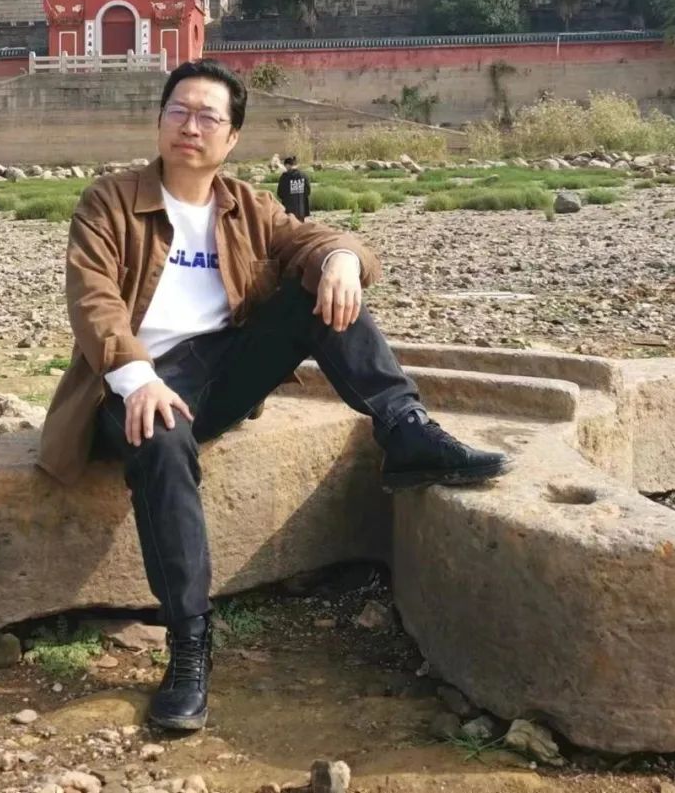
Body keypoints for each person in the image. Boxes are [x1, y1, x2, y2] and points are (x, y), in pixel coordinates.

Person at [38, 59, 509, 733]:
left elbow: (319, 239)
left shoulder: (246, 206)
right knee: (161, 436)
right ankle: (190, 644)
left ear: (231, 138)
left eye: (208, 117)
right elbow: (94, 301)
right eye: (179, 111)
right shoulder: (109, 201)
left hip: (219, 373)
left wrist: (340, 261)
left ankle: (404, 427)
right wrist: (138, 378)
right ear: (160, 120)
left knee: (322, 291)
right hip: (131, 380)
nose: (191, 126)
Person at [276, 155, 311, 220]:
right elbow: (308, 192)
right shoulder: (304, 175)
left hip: (289, 212)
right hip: (301, 210)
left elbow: (280, 193)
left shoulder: (284, 177)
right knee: (300, 225)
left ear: (287, 165)